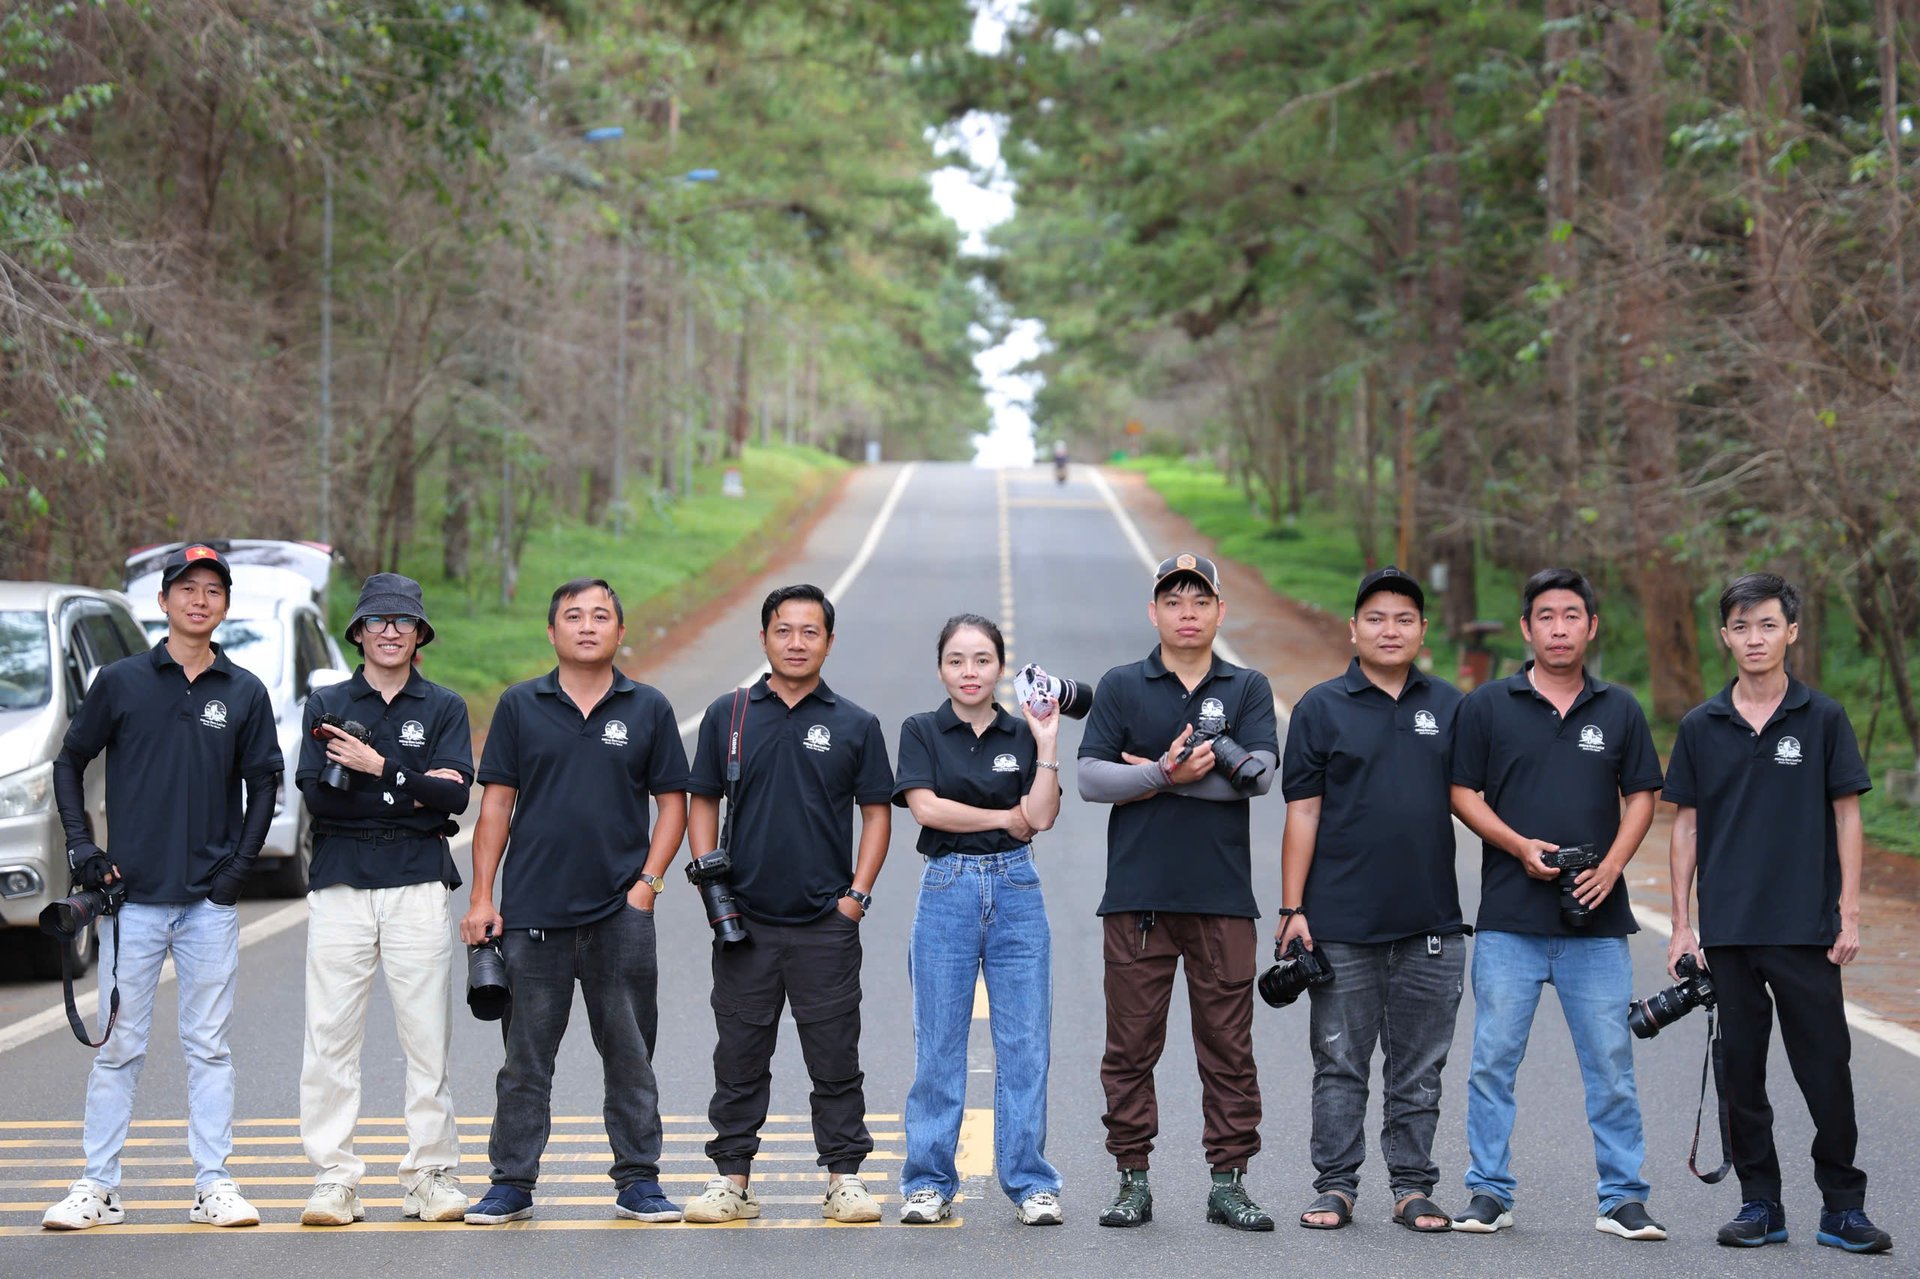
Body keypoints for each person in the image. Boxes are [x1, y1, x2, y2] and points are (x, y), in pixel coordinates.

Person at [42, 543, 282, 1230]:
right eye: (187, 588)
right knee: (119, 1045)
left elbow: (264, 781)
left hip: (209, 904)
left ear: (224, 605)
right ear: (164, 600)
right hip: (133, 903)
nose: (200, 599)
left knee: (208, 1045)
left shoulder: (244, 691)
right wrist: (83, 846)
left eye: (213, 590)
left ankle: (214, 1184)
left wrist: (239, 867)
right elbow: (70, 761)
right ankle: (98, 1186)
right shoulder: (121, 681)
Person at [1662, 572, 1892, 1254]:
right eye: (1741, 625)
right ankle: (1760, 1202)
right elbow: (1686, 827)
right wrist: (1681, 922)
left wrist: (1848, 912)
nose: (1754, 637)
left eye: (1767, 624)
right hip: (1728, 931)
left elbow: (1848, 817)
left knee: (1826, 1069)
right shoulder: (1703, 725)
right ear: (1724, 635)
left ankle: (1843, 1207)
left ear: (1791, 631)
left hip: (1805, 927)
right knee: (1743, 1075)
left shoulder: (1821, 718)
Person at [459, 578, 689, 1226]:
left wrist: (648, 884)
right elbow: (496, 804)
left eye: (600, 615)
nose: (587, 625)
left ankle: (640, 1180)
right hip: (532, 914)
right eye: (572, 615)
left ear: (620, 631)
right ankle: (511, 1182)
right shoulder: (519, 705)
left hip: (621, 913)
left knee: (630, 1053)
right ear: (553, 630)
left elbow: (673, 803)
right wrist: (483, 896)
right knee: (524, 1061)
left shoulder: (647, 707)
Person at [1448, 567, 1666, 1241]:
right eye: (1546, 615)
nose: (1560, 627)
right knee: (1491, 1062)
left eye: (1573, 615)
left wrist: (1612, 865)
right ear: (1526, 627)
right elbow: (1462, 792)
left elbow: (1643, 795)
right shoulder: (1487, 705)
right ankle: (1488, 1192)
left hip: (1596, 925)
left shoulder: (1621, 708)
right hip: (1511, 920)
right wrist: (1517, 845)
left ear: (1591, 626)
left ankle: (1623, 1198)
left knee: (1611, 1066)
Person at [1077, 552, 1280, 1231]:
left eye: (1200, 600)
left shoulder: (1247, 687)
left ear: (1220, 610)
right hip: (1138, 898)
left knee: (1229, 1046)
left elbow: (1259, 778)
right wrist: (1165, 773)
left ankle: (1229, 1182)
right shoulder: (1122, 685)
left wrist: (1157, 773)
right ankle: (1132, 1178)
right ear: (1153, 611)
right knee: (1131, 1046)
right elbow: (1091, 779)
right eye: (1173, 600)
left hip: (1223, 899)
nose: (1187, 612)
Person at [681, 584, 895, 1225]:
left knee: (835, 1055)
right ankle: (732, 1181)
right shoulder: (730, 713)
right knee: (739, 1054)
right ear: (765, 638)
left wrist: (855, 897)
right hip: (744, 922)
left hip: (825, 922)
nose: (796, 641)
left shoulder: (855, 723)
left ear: (828, 641)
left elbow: (876, 814)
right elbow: (702, 799)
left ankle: (844, 1179)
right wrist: (710, 883)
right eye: (783, 630)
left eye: (809, 631)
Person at [1278, 567, 1466, 1234]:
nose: (1391, 629)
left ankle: (1413, 1186)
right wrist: (1292, 909)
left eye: (1405, 618)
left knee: (1419, 1067)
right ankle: (1335, 1185)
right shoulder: (1320, 707)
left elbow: (1473, 800)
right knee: (1340, 1062)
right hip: (1341, 924)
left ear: (1421, 631)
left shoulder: (1449, 705)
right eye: (1377, 617)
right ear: (1353, 628)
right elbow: (1302, 813)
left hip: (1432, 923)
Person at [295, 573, 473, 1226]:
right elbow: (318, 795)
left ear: (420, 632)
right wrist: (412, 786)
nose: (391, 630)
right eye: (378, 620)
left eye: (403, 620)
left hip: (419, 880)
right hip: (341, 879)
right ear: (359, 632)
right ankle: (333, 1178)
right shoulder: (327, 699)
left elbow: (456, 798)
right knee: (330, 1037)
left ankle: (430, 1174)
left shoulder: (444, 706)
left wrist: (375, 769)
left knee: (427, 1037)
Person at [894, 614, 1064, 1226]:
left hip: (1018, 888)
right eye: (957, 660)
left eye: (983, 660)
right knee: (938, 1044)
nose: (970, 672)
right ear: (941, 667)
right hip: (948, 887)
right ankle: (928, 1182)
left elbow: (1040, 817)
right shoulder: (920, 730)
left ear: (1000, 668)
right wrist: (1002, 817)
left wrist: (1046, 743)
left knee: (1024, 1045)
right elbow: (927, 809)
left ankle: (1031, 1182)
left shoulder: (1022, 734)